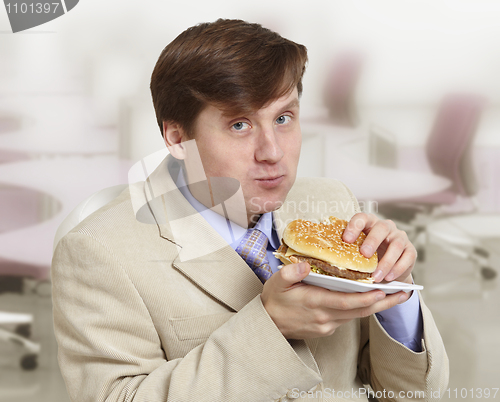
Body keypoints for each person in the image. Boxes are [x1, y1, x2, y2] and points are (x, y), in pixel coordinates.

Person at [51, 19, 449, 402]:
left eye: (283, 118)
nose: (273, 152)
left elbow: (412, 395)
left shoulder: (334, 203)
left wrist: (396, 293)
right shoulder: (98, 252)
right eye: (240, 125)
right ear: (176, 137)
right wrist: (270, 328)